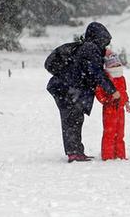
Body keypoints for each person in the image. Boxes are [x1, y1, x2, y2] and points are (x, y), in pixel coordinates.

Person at [46, 22, 121, 163]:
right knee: (71, 120)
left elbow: (92, 71)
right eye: (104, 42)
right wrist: (112, 90)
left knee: (75, 119)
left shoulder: (88, 47)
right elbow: (96, 73)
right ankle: (74, 153)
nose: (105, 45)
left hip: (67, 88)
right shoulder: (90, 48)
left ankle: (77, 151)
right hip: (68, 89)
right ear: (99, 37)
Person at [95, 50, 130, 161]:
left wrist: (126, 103)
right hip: (109, 110)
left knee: (120, 133)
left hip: (120, 110)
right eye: (113, 65)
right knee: (109, 133)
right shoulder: (105, 79)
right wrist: (108, 100)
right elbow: (99, 94)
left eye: (118, 64)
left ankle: (120, 154)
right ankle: (108, 155)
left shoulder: (121, 78)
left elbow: (124, 91)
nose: (116, 66)